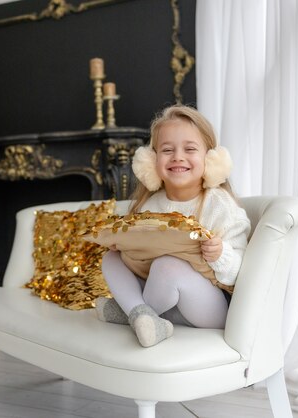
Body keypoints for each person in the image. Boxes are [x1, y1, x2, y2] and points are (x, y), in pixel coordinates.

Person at [95, 104, 251, 347]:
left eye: (190, 149)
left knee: (168, 265)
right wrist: (124, 248)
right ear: (151, 161)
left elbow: (240, 272)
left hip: (208, 309)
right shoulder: (150, 204)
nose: (178, 156)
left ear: (211, 159)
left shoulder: (219, 205)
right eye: (167, 150)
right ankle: (143, 316)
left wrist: (221, 254)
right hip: (165, 302)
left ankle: (133, 312)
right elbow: (138, 262)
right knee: (110, 259)